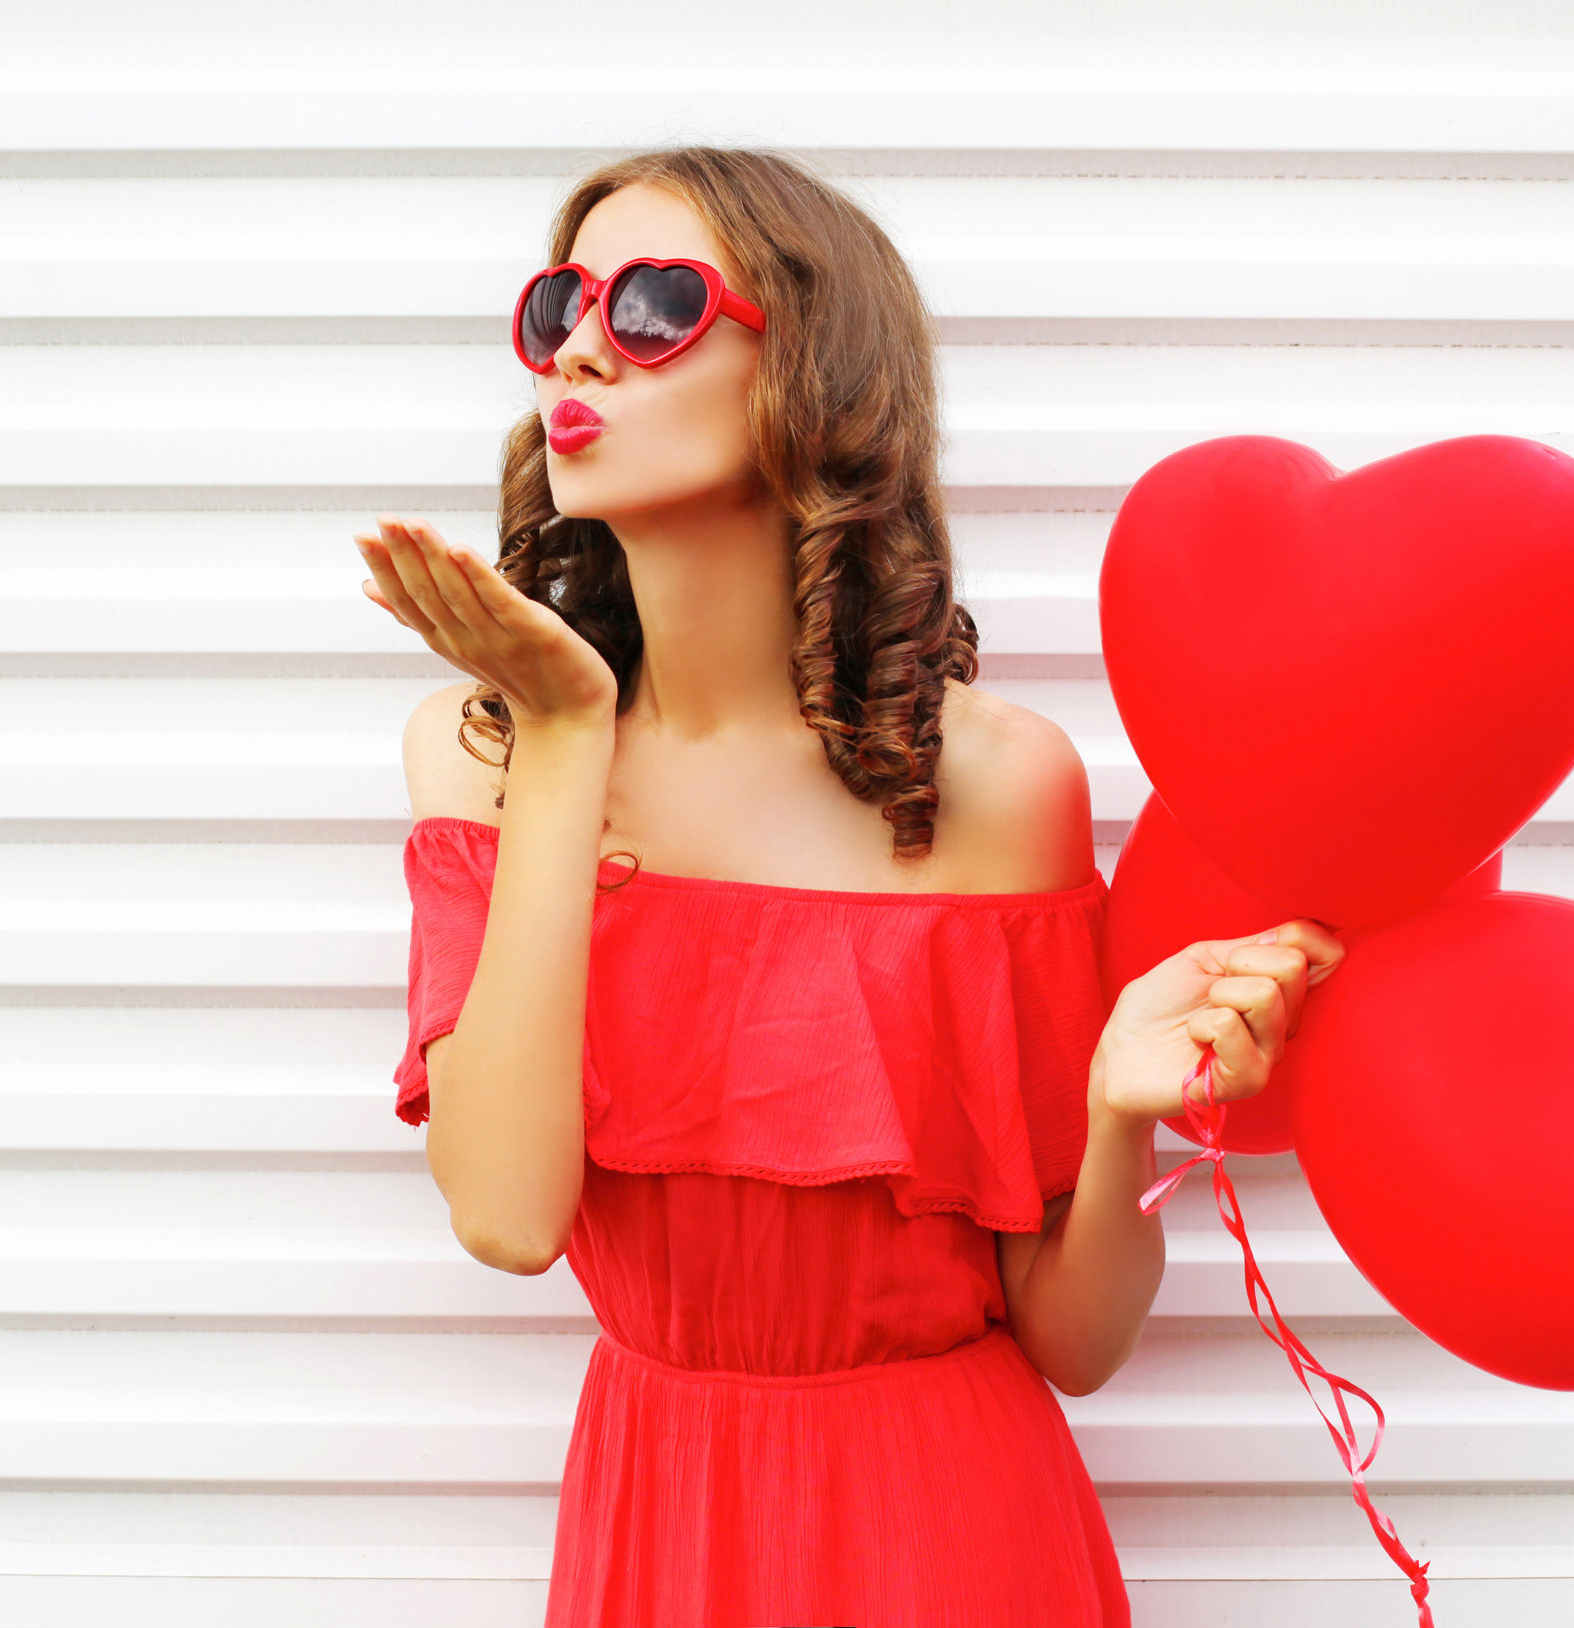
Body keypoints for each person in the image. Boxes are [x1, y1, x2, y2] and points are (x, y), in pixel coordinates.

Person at [354, 145, 1343, 1628]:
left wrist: (1116, 1114)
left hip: (949, 1529)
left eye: (655, 305)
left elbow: (1072, 1341)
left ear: (809, 375)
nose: (575, 342)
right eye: (562, 299)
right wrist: (565, 734)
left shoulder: (996, 783)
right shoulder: (483, 750)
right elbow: (506, 1216)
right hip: (654, 1515)